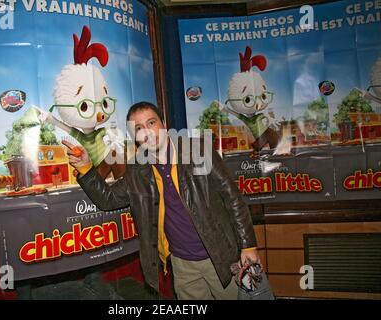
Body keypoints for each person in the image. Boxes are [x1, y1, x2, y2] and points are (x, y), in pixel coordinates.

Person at [62, 101, 260, 300]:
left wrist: (248, 246)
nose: (147, 132)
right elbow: (109, 200)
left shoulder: (198, 150)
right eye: (139, 128)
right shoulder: (138, 171)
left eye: (151, 123)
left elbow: (233, 198)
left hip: (221, 257)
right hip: (182, 265)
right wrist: (86, 168)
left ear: (163, 124)